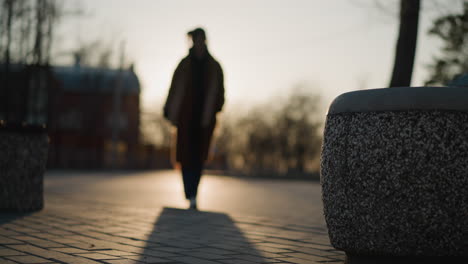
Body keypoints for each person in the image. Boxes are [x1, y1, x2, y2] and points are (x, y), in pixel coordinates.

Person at [163, 27, 225, 210]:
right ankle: (188, 191)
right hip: (185, 117)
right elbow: (173, 87)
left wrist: (216, 108)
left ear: (205, 41)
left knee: (199, 157)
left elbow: (221, 91)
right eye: (195, 39)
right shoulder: (184, 64)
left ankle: (193, 194)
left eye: (201, 39)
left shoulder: (214, 66)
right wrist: (169, 108)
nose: (198, 42)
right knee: (184, 156)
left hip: (204, 119)